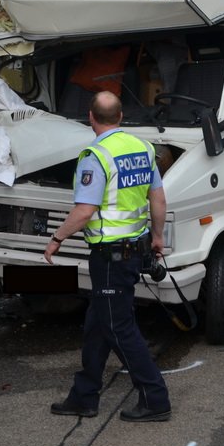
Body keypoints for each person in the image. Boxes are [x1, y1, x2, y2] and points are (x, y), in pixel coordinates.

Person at [46, 90, 171, 422]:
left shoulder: (95, 156)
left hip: (110, 256)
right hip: (134, 250)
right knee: (98, 324)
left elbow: (85, 211)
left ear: (91, 117)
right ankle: (84, 396)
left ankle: (155, 397)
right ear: (120, 116)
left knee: (119, 328)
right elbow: (158, 199)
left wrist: (57, 238)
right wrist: (158, 237)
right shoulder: (143, 148)